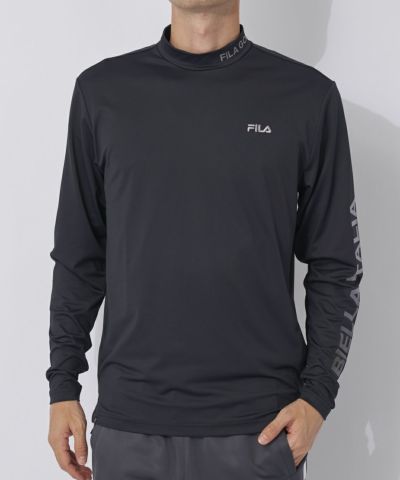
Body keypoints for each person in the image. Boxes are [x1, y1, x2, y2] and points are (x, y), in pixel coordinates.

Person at [46, 1, 363, 479]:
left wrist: (317, 397)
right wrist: (63, 385)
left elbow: (337, 263)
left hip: (259, 432)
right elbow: (79, 255)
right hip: (131, 429)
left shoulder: (306, 97)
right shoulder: (103, 92)